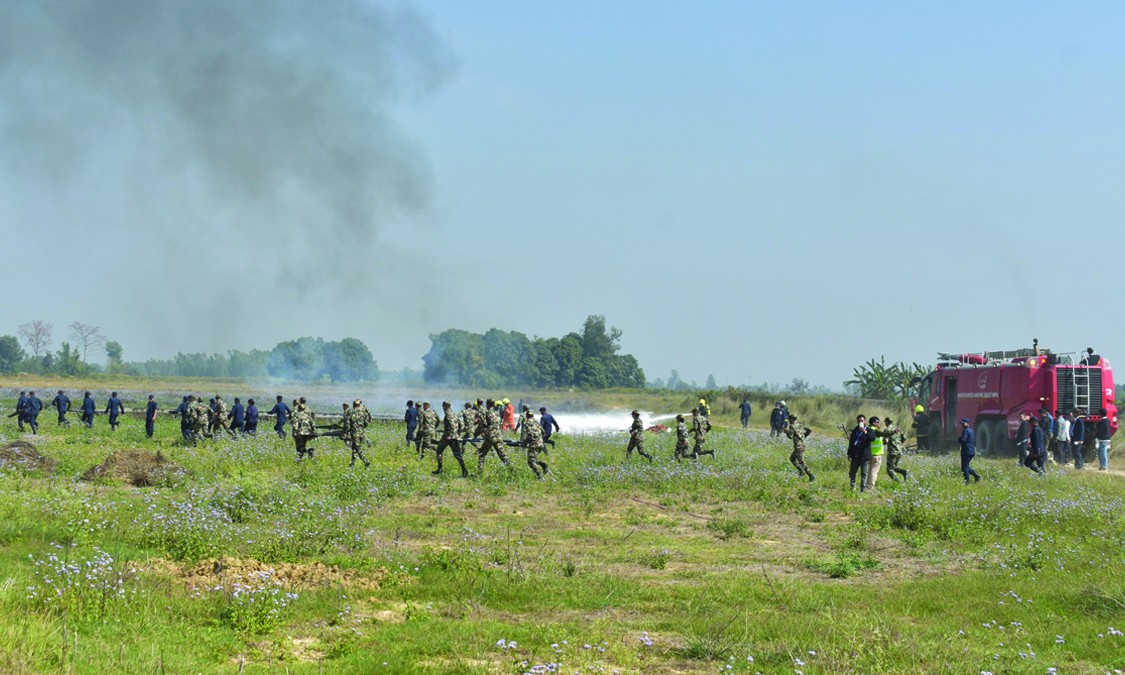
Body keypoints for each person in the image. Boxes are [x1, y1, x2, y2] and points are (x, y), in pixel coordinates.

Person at [476, 399, 511, 473]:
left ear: (488, 404)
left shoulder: (486, 412)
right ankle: (512, 470)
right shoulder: (497, 413)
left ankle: (479, 473)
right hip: (498, 436)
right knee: (503, 455)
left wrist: (476, 434)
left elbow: (482, 425)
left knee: (482, 455)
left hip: (490, 437)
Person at [433, 401, 467, 476]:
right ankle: (464, 470)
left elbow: (451, 425)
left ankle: (440, 468)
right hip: (453, 437)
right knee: (457, 454)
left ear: (446, 406)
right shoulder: (454, 414)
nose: (442, 408)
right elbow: (461, 424)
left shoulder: (448, 414)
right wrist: (458, 434)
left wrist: (450, 435)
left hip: (448, 437)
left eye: (443, 406)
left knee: (439, 451)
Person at [784, 413, 814, 482]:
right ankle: (801, 471)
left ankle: (811, 475)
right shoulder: (800, 425)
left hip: (798, 447)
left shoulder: (792, 426)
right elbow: (809, 430)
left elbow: (790, 436)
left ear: (792, 419)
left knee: (801, 462)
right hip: (802, 445)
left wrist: (786, 432)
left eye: (789, 419)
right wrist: (804, 436)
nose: (789, 420)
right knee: (792, 458)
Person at [521, 409, 549, 479]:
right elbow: (543, 432)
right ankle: (543, 465)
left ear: (527, 415)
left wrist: (525, 443)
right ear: (532, 415)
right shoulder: (537, 422)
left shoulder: (526, 422)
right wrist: (539, 438)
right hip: (540, 444)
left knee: (531, 462)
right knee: (533, 459)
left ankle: (539, 476)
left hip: (534, 444)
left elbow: (529, 435)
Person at [345, 399, 372, 469]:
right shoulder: (363, 411)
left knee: (358, 448)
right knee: (354, 448)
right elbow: (367, 421)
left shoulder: (350, 411)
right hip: (362, 433)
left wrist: (346, 431)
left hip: (354, 433)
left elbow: (347, 424)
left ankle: (366, 461)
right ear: (359, 404)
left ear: (353, 404)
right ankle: (352, 464)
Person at [847, 415, 870, 491]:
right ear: (857, 421)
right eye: (859, 421)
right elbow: (851, 443)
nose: (861, 422)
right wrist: (849, 454)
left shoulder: (869, 430)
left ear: (865, 421)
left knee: (864, 474)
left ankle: (862, 489)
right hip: (855, 456)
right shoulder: (855, 431)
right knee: (852, 473)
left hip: (864, 456)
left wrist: (865, 432)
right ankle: (852, 486)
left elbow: (872, 438)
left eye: (862, 420)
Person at [883, 417, 910, 481]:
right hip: (900, 451)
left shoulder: (887, 430)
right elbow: (904, 439)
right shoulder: (898, 429)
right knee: (894, 467)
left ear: (886, 422)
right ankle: (904, 472)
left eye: (885, 422)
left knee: (889, 469)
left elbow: (885, 442)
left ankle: (898, 482)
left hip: (892, 452)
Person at [865, 417, 888, 490]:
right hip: (876, 455)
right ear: (873, 423)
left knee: (868, 472)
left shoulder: (867, 429)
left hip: (869, 454)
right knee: (874, 472)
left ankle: (865, 486)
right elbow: (885, 434)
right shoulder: (876, 431)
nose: (879, 423)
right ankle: (870, 487)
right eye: (877, 422)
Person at [959, 418, 981, 484]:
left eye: (963, 424)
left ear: (967, 423)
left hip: (966, 451)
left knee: (964, 468)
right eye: (961, 424)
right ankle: (976, 476)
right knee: (966, 466)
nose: (962, 425)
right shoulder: (971, 430)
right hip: (971, 451)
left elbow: (963, 440)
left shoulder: (965, 431)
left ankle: (967, 481)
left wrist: (959, 439)